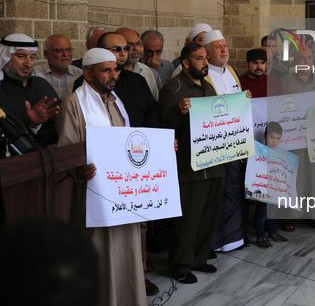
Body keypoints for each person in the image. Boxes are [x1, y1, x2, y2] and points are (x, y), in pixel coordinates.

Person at [56, 48, 146, 305]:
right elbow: (67, 152)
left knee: (125, 251)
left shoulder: (117, 100)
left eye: (115, 69)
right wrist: (78, 167)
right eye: (106, 70)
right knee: (100, 255)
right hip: (93, 196)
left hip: (124, 195)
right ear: (87, 73)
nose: (113, 75)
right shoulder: (74, 103)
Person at [158, 43, 226, 284]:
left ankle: (199, 258)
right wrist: (179, 111)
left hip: (215, 161)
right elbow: (164, 124)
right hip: (189, 165)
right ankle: (180, 265)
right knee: (188, 218)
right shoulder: (173, 89)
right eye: (199, 59)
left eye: (206, 58)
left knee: (208, 215)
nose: (205, 63)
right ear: (186, 63)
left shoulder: (208, 86)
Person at [202, 29, 246, 252]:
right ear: (207, 54)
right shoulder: (204, 75)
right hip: (213, 146)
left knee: (233, 190)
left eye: (225, 46)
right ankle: (214, 241)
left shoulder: (231, 72)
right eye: (217, 47)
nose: (223, 50)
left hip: (235, 143)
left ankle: (233, 238)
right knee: (216, 195)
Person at [280, 47, 315, 231]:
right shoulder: (285, 81)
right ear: (295, 60)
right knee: (293, 176)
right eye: (301, 58)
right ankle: (291, 216)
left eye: (309, 57)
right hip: (292, 137)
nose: (306, 61)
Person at [0, 34, 59, 145]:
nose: (28, 63)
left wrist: (34, 125)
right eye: (21, 56)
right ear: (4, 58)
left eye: (32, 57)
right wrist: (32, 125)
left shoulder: (41, 84)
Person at [255, 122, 288, 249]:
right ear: (264, 136)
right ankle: (260, 236)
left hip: (275, 188)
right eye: (271, 137)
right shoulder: (259, 151)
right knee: (262, 212)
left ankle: (273, 233)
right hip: (262, 188)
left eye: (277, 138)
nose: (274, 141)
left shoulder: (280, 153)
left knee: (273, 212)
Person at [115, 27, 161, 100]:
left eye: (138, 44)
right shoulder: (111, 74)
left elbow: (154, 101)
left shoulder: (145, 70)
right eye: (130, 44)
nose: (136, 48)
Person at [33, 34, 82, 100]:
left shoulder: (80, 75)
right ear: (46, 54)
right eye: (59, 50)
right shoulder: (34, 75)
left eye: (68, 49)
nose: (66, 54)